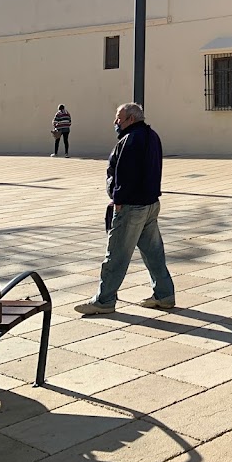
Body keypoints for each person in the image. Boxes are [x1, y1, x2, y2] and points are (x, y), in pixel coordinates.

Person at [74, 102, 175, 315]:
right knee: (153, 253)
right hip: (150, 204)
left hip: (132, 206)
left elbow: (124, 172)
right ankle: (164, 294)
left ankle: (104, 300)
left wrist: (118, 198)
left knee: (116, 255)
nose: (115, 123)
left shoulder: (130, 140)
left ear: (131, 119)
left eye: (119, 119)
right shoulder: (152, 136)